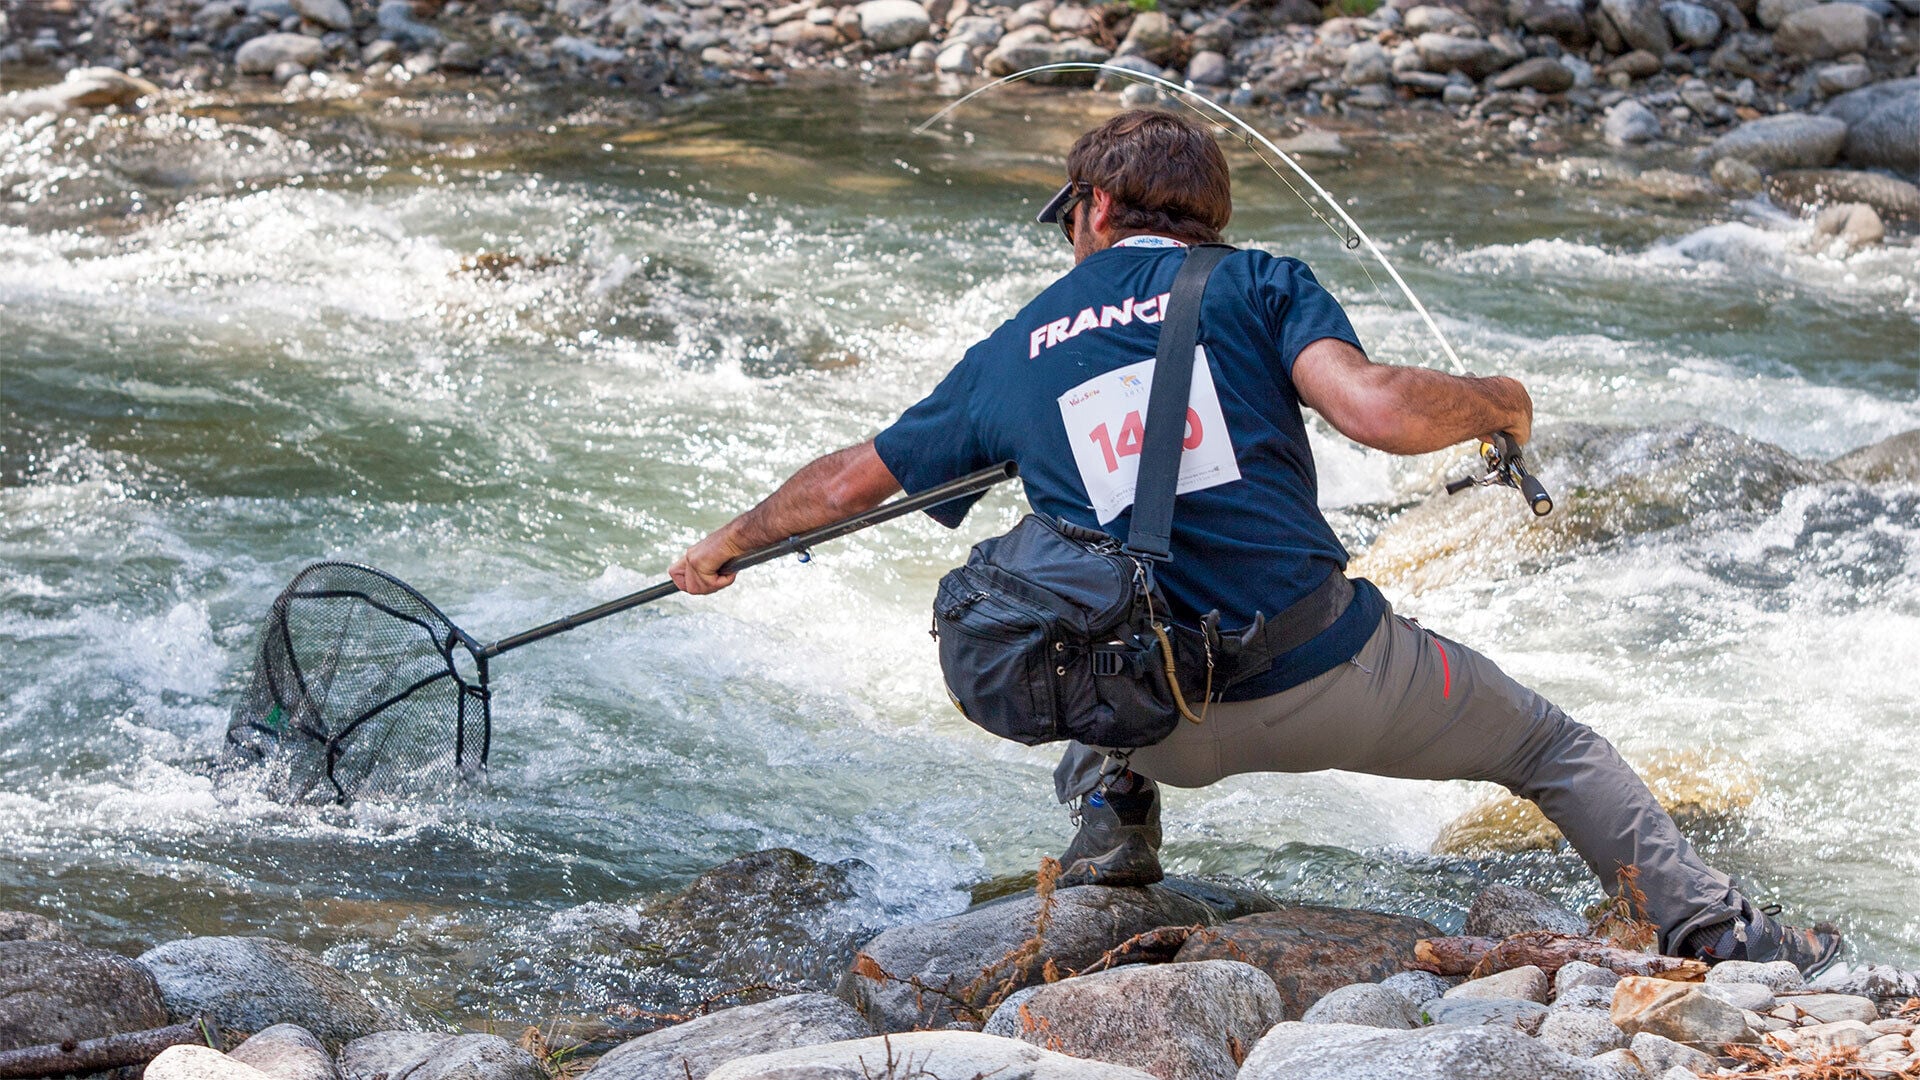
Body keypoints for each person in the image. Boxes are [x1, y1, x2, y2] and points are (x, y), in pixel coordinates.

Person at [668, 109, 1842, 974]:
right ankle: (1721, 932)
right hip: (1330, 677)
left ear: (1089, 212)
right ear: (1206, 221)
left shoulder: (1013, 348)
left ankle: (1112, 823)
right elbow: (1377, 410)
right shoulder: (1260, 284)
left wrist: (727, 541)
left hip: (1158, 720)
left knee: (1067, 570)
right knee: (1552, 747)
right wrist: (1500, 398)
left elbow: (840, 483)